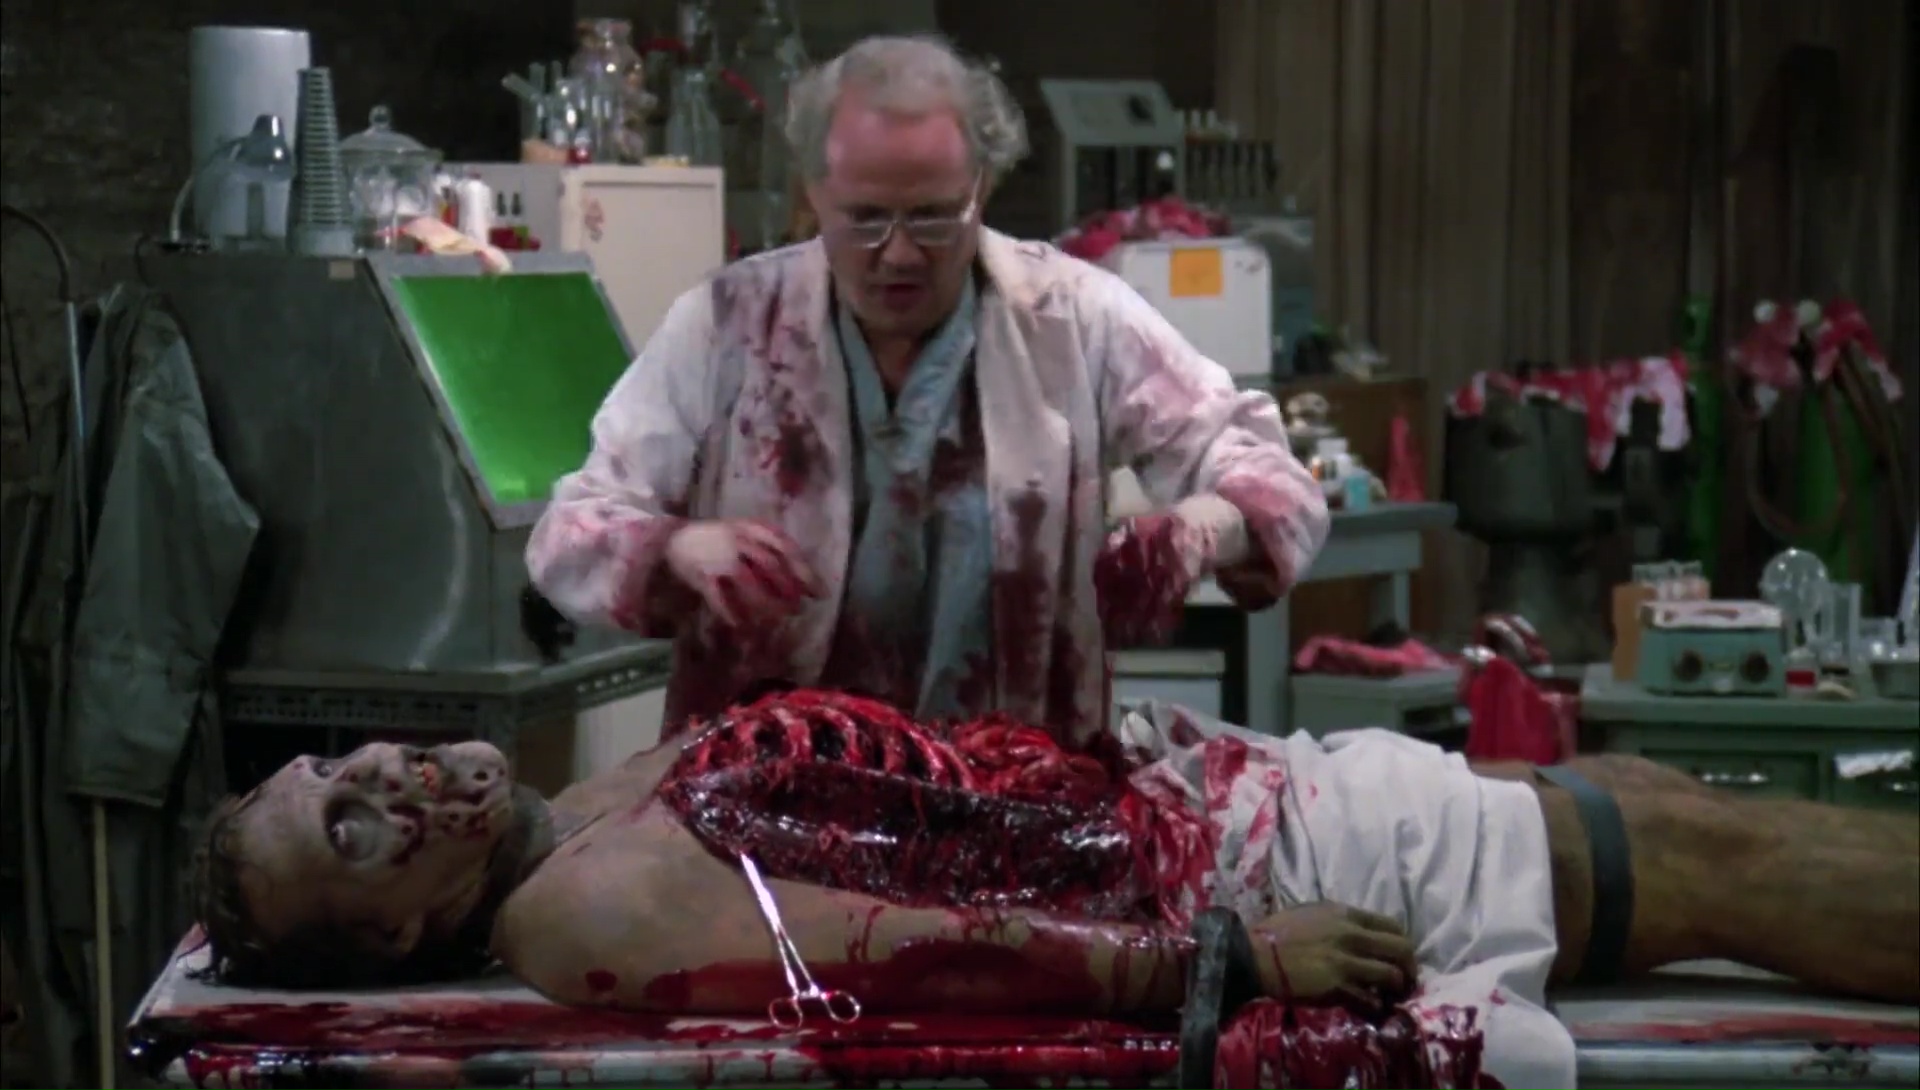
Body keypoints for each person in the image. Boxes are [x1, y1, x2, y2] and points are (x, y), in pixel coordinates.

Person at [191, 693, 1919, 1090]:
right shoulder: (574, 908)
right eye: (355, 833)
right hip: (1247, 873)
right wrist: (1225, 957)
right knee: (1704, 863)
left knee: (1650, 804)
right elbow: (906, 960)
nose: (386, 781)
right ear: (401, 935)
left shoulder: (582, 800)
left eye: (341, 766)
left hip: (1220, 805)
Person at [524, 35, 1328, 748]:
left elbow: (1274, 480)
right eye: (866, 218)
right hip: (763, 797)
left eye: (936, 218)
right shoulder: (727, 324)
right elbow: (569, 532)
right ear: (814, 196)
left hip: (1018, 794)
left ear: (982, 188)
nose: (901, 254)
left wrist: (1201, 529)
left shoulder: (1072, 317)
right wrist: (675, 550)